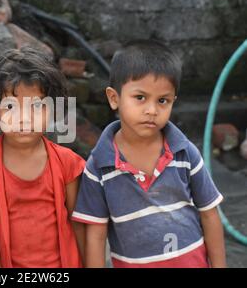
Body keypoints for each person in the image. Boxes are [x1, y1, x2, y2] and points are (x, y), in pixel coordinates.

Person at [72, 40, 226, 268]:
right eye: (140, 98)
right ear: (114, 98)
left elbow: (210, 214)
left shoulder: (185, 154)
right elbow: (96, 233)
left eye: (162, 100)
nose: (152, 110)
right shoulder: (98, 166)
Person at [0, 47, 85, 268]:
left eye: (36, 106)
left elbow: (78, 223)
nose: (24, 118)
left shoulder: (68, 163)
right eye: (9, 107)